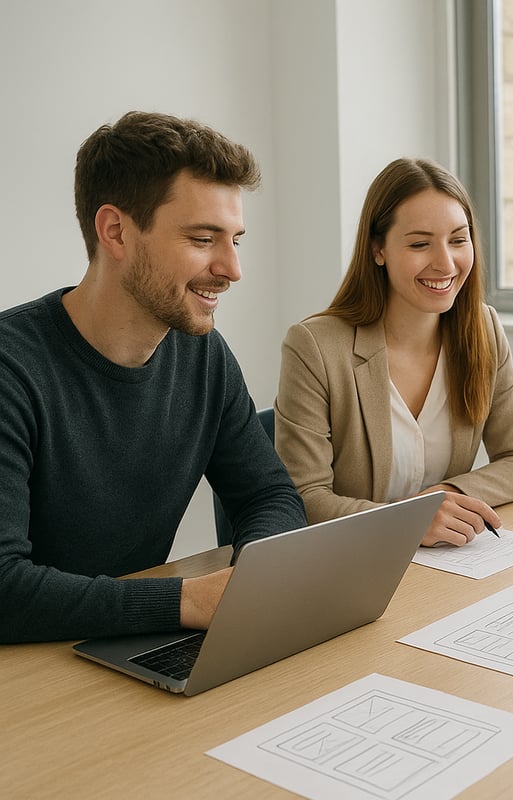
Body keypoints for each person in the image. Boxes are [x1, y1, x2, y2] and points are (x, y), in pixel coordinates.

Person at [0, 111, 307, 644]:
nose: (232, 268)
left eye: (236, 239)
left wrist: (251, 581)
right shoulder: (12, 370)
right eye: (203, 238)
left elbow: (269, 496)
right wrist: (186, 601)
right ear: (116, 231)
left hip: (117, 646)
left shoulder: (201, 354)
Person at [275, 158, 513, 546]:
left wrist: (446, 498)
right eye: (420, 244)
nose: (445, 262)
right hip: (355, 562)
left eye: (458, 240)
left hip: (446, 564)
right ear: (378, 250)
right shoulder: (315, 347)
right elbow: (304, 498)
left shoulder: (482, 328)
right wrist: (409, 521)